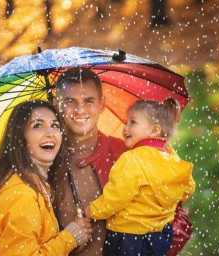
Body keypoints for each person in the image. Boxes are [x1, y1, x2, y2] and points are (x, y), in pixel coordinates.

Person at [53, 67, 193, 256]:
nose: (80, 110)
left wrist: (150, 249)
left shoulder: (131, 153)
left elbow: (177, 216)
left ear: (102, 104)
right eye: (70, 101)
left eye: (89, 101)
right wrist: (67, 240)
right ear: (56, 103)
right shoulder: (45, 161)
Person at [0, 100, 92, 255]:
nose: (50, 133)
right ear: (21, 137)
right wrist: (70, 238)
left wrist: (72, 239)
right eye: (37, 125)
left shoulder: (31, 185)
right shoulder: (21, 195)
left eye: (55, 125)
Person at [84, 98, 195, 256]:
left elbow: (116, 197)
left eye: (133, 122)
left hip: (127, 238)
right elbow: (187, 189)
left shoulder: (132, 159)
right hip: (159, 237)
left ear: (154, 130)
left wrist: (93, 211)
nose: (125, 128)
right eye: (126, 122)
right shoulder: (172, 158)